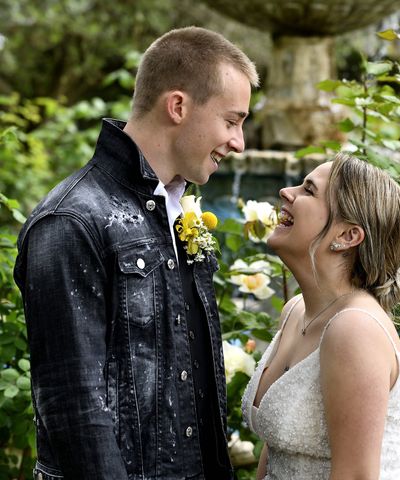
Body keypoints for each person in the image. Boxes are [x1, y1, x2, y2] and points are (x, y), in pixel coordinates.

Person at [13, 27, 259, 479]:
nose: (239, 142)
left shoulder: (181, 213)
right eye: (231, 121)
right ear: (178, 106)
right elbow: (74, 405)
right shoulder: (72, 220)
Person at [241, 153, 400, 479]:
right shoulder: (295, 312)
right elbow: (277, 451)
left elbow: (355, 476)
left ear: (347, 236)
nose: (286, 192)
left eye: (308, 191)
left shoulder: (355, 329)